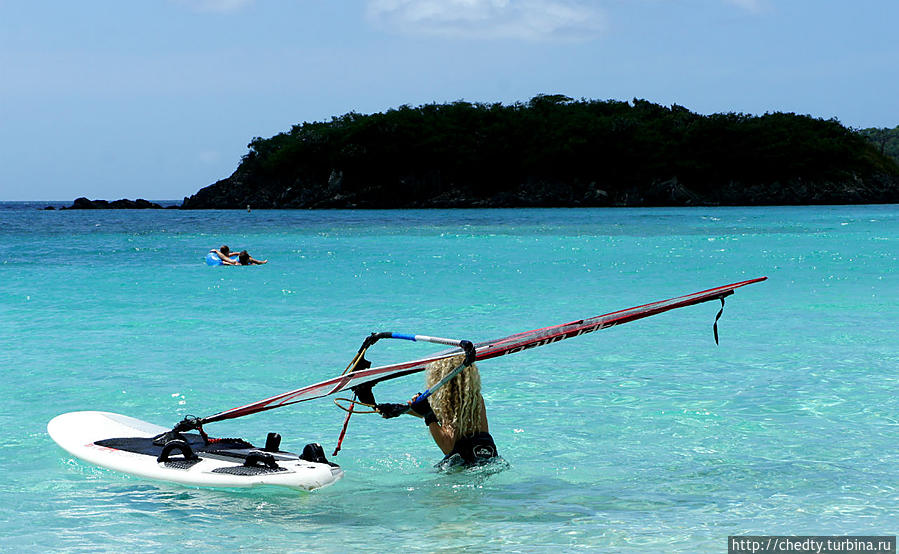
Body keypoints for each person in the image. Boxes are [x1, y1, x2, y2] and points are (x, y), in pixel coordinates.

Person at [382, 354, 498, 468]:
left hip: (463, 466)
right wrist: (402, 410)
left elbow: (447, 446)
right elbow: (443, 418)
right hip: (487, 459)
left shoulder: (453, 402)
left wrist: (428, 415)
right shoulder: (473, 398)